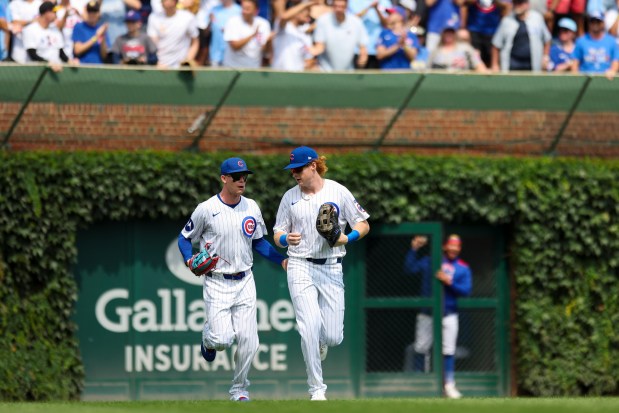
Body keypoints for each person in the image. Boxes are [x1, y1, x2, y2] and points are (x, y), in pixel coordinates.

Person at [177, 157, 288, 402]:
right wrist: (188, 259)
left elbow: (258, 241)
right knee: (221, 340)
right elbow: (184, 238)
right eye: (236, 177)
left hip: (245, 279)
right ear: (224, 178)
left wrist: (280, 260)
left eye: (245, 176)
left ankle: (239, 390)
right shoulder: (206, 208)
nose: (242, 181)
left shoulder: (251, 207)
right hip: (217, 281)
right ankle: (208, 336)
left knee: (250, 341)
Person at [273, 146, 370, 401]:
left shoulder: (338, 191)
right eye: (292, 170)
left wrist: (347, 237)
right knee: (309, 328)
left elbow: (363, 223)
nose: (294, 173)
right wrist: (285, 238)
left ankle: (322, 342)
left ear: (313, 166)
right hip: (299, 265)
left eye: (299, 169)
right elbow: (277, 234)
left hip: (331, 266)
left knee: (333, 336)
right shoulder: (289, 197)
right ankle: (317, 390)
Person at [403, 234, 472, 399]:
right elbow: (409, 269)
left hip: (449, 313)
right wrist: (414, 248)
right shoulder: (430, 260)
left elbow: (466, 291)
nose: (454, 248)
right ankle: (421, 383)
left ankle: (448, 385)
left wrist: (449, 282)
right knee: (421, 347)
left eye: (457, 246)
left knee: (448, 350)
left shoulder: (463, 267)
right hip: (427, 312)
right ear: (444, 246)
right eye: (451, 245)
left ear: (459, 248)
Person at [491, 0, 551, 72]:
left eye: (520, 3)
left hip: (533, 65)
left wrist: (545, 57)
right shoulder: (507, 21)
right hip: (512, 64)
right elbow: (496, 44)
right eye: (515, 3)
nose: (517, 5)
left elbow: (547, 39)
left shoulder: (537, 18)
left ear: (527, 4)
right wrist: (495, 64)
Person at [312, 0, 369, 71]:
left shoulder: (356, 22)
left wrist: (363, 58)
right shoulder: (323, 20)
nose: (338, 9)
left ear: (346, 6)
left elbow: (363, 47)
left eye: (342, 7)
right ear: (332, 6)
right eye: (336, 6)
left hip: (348, 72)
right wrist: (311, 53)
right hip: (325, 71)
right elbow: (319, 46)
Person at [147, 0, 199, 68]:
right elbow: (152, 44)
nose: (164, 2)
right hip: (160, 66)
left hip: (180, 68)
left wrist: (187, 61)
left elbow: (195, 42)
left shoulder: (188, 17)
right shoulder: (153, 18)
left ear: (175, 2)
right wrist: (156, 61)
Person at [23, 1, 72, 70]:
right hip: (37, 70)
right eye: (54, 12)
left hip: (55, 69)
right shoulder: (30, 30)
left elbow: (61, 53)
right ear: (46, 13)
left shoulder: (55, 30)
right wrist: (48, 63)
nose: (56, 15)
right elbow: (32, 54)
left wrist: (70, 61)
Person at [222, 0, 271, 68]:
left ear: (256, 11)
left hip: (253, 70)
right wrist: (252, 35)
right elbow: (235, 46)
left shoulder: (264, 24)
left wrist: (269, 42)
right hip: (232, 69)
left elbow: (265, 51)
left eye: (247, 9)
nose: (244, 11)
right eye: (243, 8)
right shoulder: (233, 21)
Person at [571, 10, 619, 79]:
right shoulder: (581, 41)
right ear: (589, 23)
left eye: (598, 21)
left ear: (603, 23)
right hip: (585, 79)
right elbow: (575, 62)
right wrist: (576, 78)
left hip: (605, 79)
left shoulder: (611, 41)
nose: (595, 24)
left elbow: (616, 60)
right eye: (592, 21)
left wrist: (613, 70)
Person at [349, 0, 393, 68]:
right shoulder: (353, 1)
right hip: (357, 49)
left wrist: (376, 9)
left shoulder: (385, 2)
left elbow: (387, 24)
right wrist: (369, 7)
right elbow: (351, 20)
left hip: (376, 49)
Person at [376, 5, 420, 69]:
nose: (388, 15)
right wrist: (398, 45)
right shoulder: (384, 33)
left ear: (400, 16)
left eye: (391, 13)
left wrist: (404, 45)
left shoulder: (410, 35)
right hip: (386, 74)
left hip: (404, 75)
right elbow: (380, 55)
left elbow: (413, 57)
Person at [205, 0, 241, 67]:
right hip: (215, 56)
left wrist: (227, 31)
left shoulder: (239, 11)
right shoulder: (214, 9)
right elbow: (206, 33)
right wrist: (210, 22)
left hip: (233, 57)